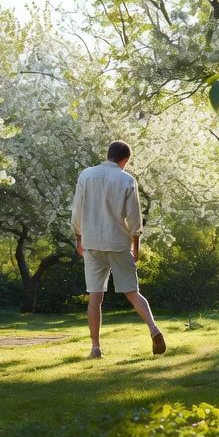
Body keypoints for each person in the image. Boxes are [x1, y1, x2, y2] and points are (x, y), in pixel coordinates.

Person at [70, 140, 166, 359]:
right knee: (133, 292)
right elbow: (134, 219)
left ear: (108, 154)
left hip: (92, 242)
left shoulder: (86, 175)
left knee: (95, 296)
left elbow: (77, 211)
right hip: (118, 243)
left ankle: (95, 348)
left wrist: (79, 239)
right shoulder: (127, 179)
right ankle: (154, 329)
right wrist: (136, 248)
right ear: (125, 160)